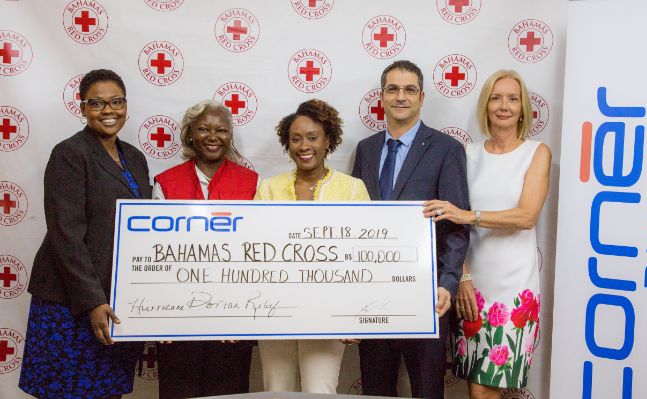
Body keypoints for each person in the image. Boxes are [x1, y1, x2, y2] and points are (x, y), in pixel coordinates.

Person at [18, 69, 150, 399]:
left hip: (116, 299)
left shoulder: (135, 157)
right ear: (83, 108)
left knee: (109, 391)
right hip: (70, 302)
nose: (109, 110)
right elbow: (66, 236)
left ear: (126, 106)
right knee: (67, 391)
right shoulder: (69, 154)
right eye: (97, 103)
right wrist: (93, 301)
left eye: (116, 101)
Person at [423, 70, 552, 399]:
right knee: (477, 388)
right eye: (496, 98)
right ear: (485, 105)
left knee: (486, 390)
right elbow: (451, 226)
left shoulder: (537, 153)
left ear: (523, 108)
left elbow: (526, 216)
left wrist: (469, 215)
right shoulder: (465, 154)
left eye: (512, 98)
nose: (504, 106)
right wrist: (462, 276)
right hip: (472, 286)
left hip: (514, 289)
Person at [351, 60, 470, 399]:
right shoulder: (367, 150)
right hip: (374, 296)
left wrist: (447, 282)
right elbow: (356, 224)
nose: (400, 97)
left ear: (421, 96)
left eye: (408, 90)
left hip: (427, 295)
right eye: (393, 89)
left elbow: (456, 226)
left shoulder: (447, 149)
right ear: (382, 97)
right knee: (376, 389)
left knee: (427, 389)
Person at [255, 98, 370, 393]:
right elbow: (252, 252)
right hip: (274, 311)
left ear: (328, 141)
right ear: (287, 144)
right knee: (276, 390)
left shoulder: (352, 189)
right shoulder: (267, 188)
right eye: (296, 139)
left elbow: (366, 257)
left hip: (329, 313)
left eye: (312, 137)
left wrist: (355, 314)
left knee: (319, 391)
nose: (303, 145)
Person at [153, 100, 257, 399]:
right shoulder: (166, 183)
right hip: (177, 319)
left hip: (232, 320)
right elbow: (155, 256)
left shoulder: (251, 183)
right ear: (190, 135)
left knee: (229, 392)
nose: (213, 136)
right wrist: (159, 320)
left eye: (222, 130)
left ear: (230, 136)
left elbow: (257, 255)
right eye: (204, 129)